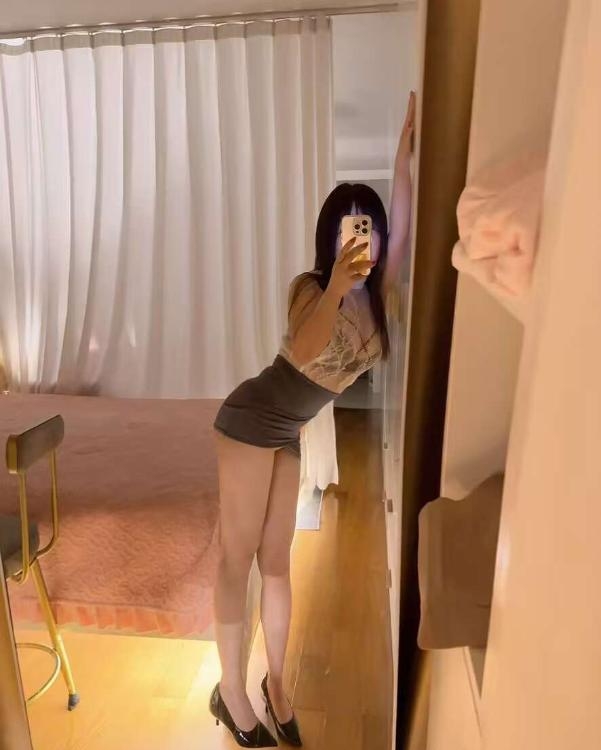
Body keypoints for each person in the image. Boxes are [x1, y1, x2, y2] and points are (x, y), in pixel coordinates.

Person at [208, 91, 416, 748]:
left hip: (286, 432)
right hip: (251, 419)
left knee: (276, 560)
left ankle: (276, 686)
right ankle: (231, 693)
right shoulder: (311, 288)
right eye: (348, 229)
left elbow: (406, 227)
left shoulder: (381, 297)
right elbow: (301, 351)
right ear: (330, 239)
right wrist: (335, 288)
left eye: (368, 228)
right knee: (236, 557)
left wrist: (403, 159)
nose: (361, 238)